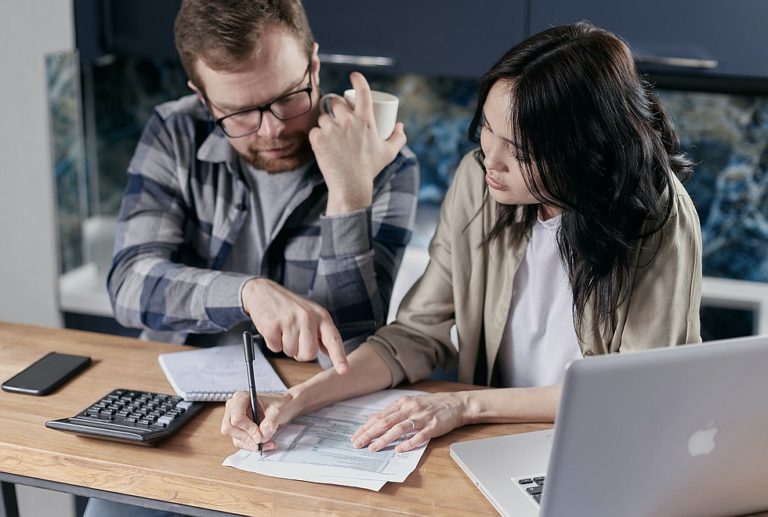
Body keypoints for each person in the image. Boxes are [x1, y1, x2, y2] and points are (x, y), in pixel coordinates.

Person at [221, 22, 702, 455]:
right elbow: (413, 335)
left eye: (518, 150)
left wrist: (465, 405)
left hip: (604, 447)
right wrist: (296, 399)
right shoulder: (478, 182)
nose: (489, 158)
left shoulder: (657, 215)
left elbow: (634, 391)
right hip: (493, 443)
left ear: (582, 151)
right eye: (488, 130)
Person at [107, 0, 419, 372]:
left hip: (306, 398)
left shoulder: (386, 163)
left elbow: (353, 352)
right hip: (178, 380)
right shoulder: (176, 132)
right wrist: (248, 294)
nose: (273, 131)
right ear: (203, 98)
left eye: (287, 98)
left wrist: (348, 196)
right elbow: (129, 285)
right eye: (239, 113)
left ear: (314, 66)